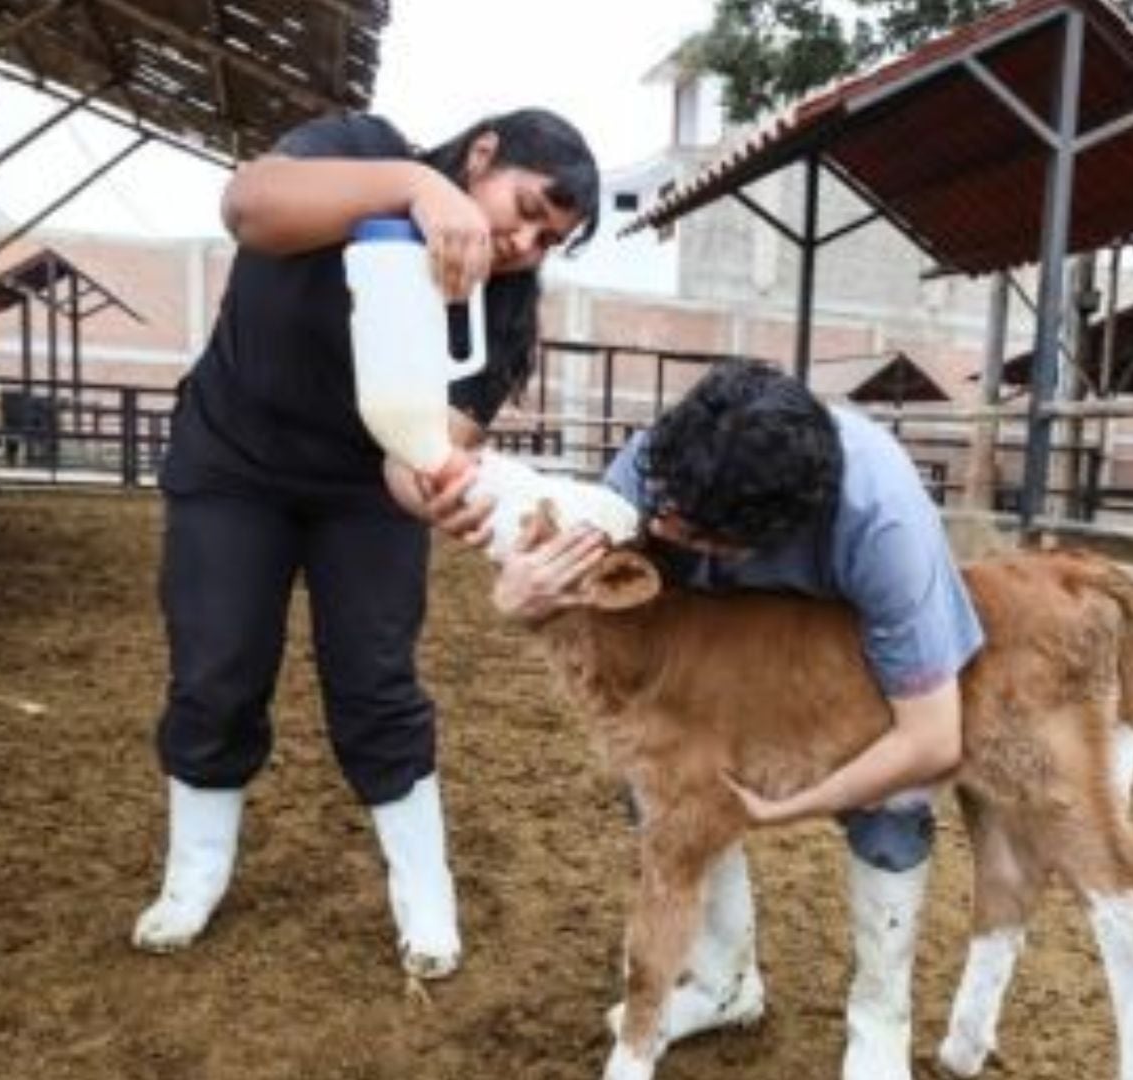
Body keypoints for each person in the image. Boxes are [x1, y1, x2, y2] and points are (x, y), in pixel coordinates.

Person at [131, 107, 600, 984]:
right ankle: (193, 875)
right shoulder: (359, 151)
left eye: (549, 238)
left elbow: (417, 452)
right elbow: (251, 206)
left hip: (360, 489)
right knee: (216, 664)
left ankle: (426, 892)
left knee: (377, 675)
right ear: (484, 153)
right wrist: (415, 186)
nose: (526, 243)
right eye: (528, 208)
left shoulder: (500, 313)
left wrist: (439, 485)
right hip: (233, 462)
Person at [488, 359, 985, 1080]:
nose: (654, 522)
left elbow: (932, 737)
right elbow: (579, 585)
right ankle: (723, 983)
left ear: (749, 543)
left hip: (853, 652)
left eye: (679, 526)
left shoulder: (886, 522)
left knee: (891, 802)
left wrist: (796, 803)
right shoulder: (661, 466)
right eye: (659, 501)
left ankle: (880, 1022)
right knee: (664, 779)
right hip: (709, 656)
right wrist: (521, 598)